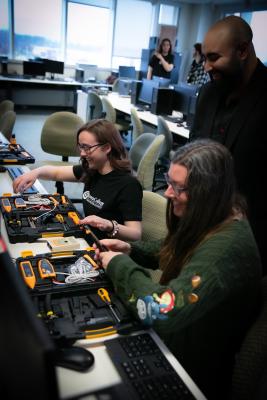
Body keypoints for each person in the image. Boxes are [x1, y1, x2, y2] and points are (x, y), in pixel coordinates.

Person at [94, 140, 262, 399]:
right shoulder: (218, 213)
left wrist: (118, 264)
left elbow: (160, 310)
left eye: (178, 187)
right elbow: (174, 248)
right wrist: (130, 250)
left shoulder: (224, 250)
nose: (168, 193)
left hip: (195, 368)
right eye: (168, 181)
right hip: (185, 340)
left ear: (207, 192)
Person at [189, 15, 267, 274]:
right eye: (204, 58)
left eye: (214, 58)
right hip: (202, 228)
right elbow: (194, 152)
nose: (207, 66)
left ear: (243, 50)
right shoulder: (208, 94)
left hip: (250, 239)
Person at [13, 119, 142, 242]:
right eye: (81, 147)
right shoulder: (93, 169)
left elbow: (135, 233)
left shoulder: (128, 185)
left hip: (107, 249)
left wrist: (109, 225)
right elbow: (56, 173)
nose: (82, 154)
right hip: (88, 237)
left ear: (107, 148)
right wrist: (36, 172)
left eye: (87, 148)